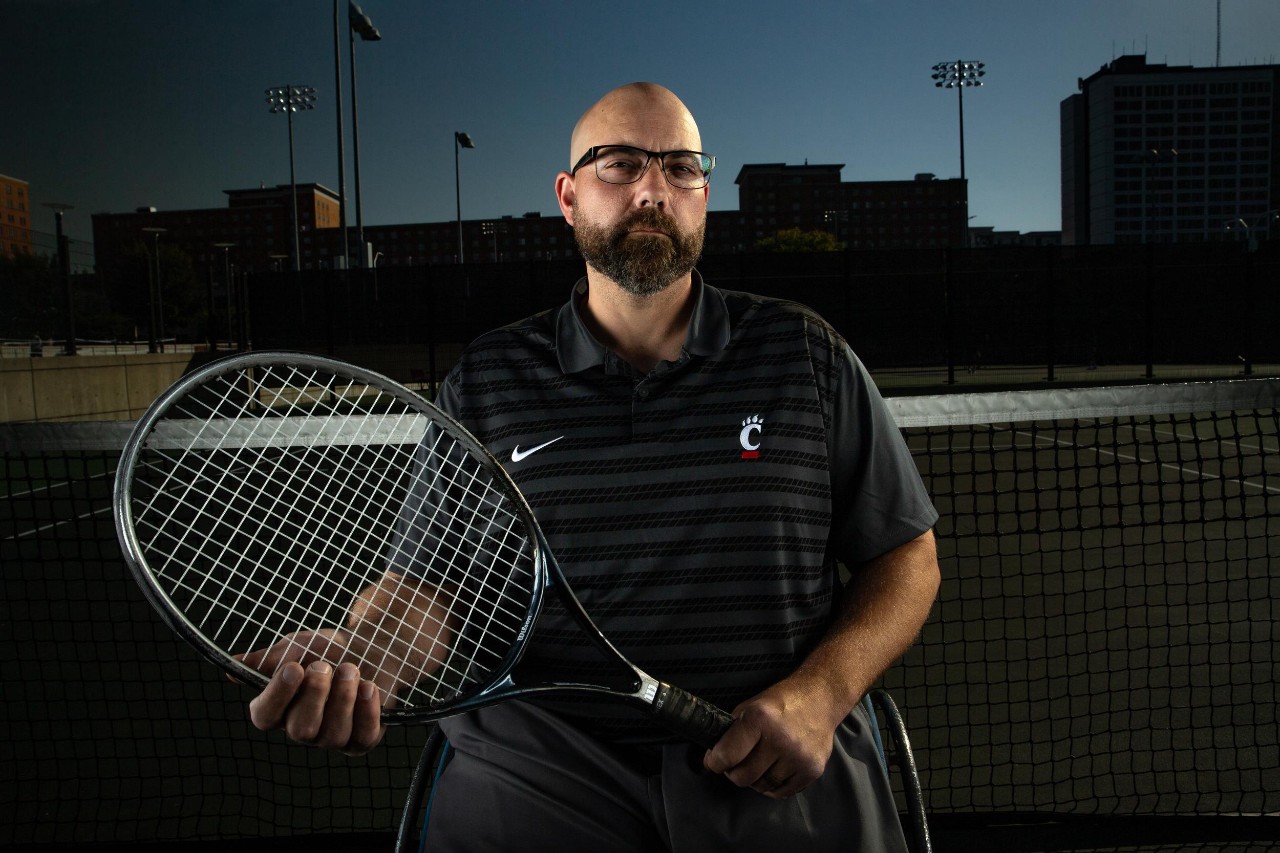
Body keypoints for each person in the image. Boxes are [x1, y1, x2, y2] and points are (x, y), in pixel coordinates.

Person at [242, 82, 941, 851]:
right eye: (620, 164)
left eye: (681, 167)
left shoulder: (805, 355)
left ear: (705, 194)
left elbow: (906, 556)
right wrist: (369, 656)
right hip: (539, 767)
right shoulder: (488, 380)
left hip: (767, 760)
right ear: (569, 197)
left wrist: (820, 695)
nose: (652, 189)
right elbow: (426, 590)